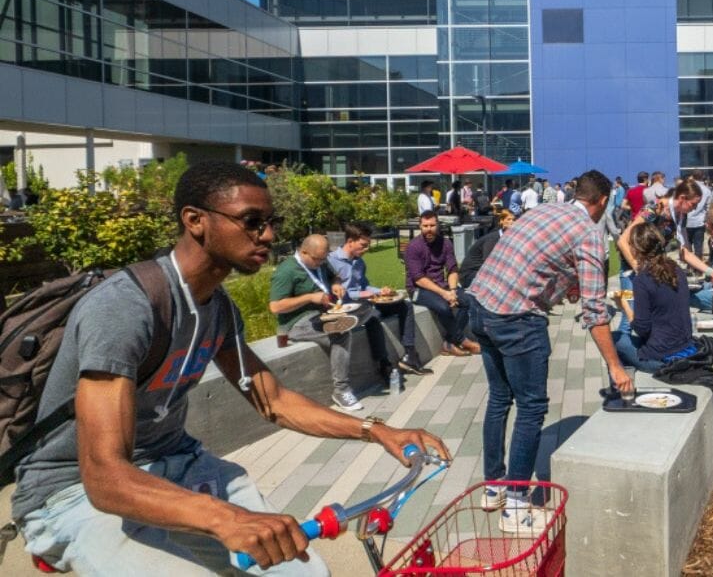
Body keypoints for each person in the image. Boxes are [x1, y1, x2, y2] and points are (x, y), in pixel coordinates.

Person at [11, 162, 449, 574]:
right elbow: (105, 478)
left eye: (271, 222)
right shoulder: (127, 308)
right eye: (252, 221)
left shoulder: (217, 308)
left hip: (174, 462)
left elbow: (274, 401)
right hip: (71, 492)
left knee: (301, 568)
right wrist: (223, 518)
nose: (267, 235)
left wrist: (377, 430)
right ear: (195, 220)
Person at [466, 170, 628, 533]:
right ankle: (517, 506)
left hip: (480, 304)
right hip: (516, 319)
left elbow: (536, 260)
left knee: (499, 398)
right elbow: (594, 311)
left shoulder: (541, 210)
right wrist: (615, 367)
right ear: (602, 201)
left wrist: (563, 282)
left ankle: (494, 488)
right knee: (532, 406)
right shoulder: (589, 233)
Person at [270, 234, 397, 410]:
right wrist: (309, 297)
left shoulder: (321, 260)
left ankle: (351, 320)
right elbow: (275, 307)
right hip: (298, 323)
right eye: (318, 259)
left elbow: (334, 276)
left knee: (369, 310)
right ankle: (341, 390)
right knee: (341, 333)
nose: (321, 263)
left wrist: (337, 284)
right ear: (304, 252)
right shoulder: (286, 271)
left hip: (325, 315)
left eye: (324, 259)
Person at [328, 222, 425, 376]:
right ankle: (383, 364)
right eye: (363, 245)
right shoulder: (331, 262)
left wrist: (381, 291)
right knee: (372, 318)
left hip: (365, 303)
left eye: (368, 245)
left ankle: (410, 354)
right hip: (347, 308)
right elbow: (335, 294)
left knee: (404, 306)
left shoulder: (360, 262)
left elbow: (364, 286)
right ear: (350, 241)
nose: (367, 249)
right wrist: (362, 294)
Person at [611, 224, 695, 374]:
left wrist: (624, 306)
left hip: (661, 359)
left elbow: (642, 329)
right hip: (687, 347)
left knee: (614, 338)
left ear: (636, 249)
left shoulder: (642, 279)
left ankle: (622, 383)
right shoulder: (676, 269)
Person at [405, 211, 480, 357]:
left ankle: (449, 343)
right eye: (425, 226)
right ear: (420, 226)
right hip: (418, 289)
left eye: (432, 225)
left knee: (468, 300)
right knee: (443, 307)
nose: (429, 229)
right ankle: (463, 341)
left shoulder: (445, 243)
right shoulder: (413, 247)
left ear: (438, 225)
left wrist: (452, 290)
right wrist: (444, 294)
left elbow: (452, 269)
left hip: (442, 286)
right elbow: (419, 278)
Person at [459, 210, 515, 289]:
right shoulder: (493, 238)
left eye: (514, 219)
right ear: (501, 221)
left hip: (483, 272)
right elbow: (488, 262)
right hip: (470, 274)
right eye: (508, 219)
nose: (512, 222)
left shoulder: (507, 238)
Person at [683, 172, 712, 259]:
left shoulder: (687, 188)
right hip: (699, 221)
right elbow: (708, 207)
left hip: (687, 221)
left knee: (687, 246)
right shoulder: (707, 190)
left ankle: (689, 266)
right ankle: (697, 268)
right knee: (698, 246)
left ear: (692, 177)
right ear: (702, 177)